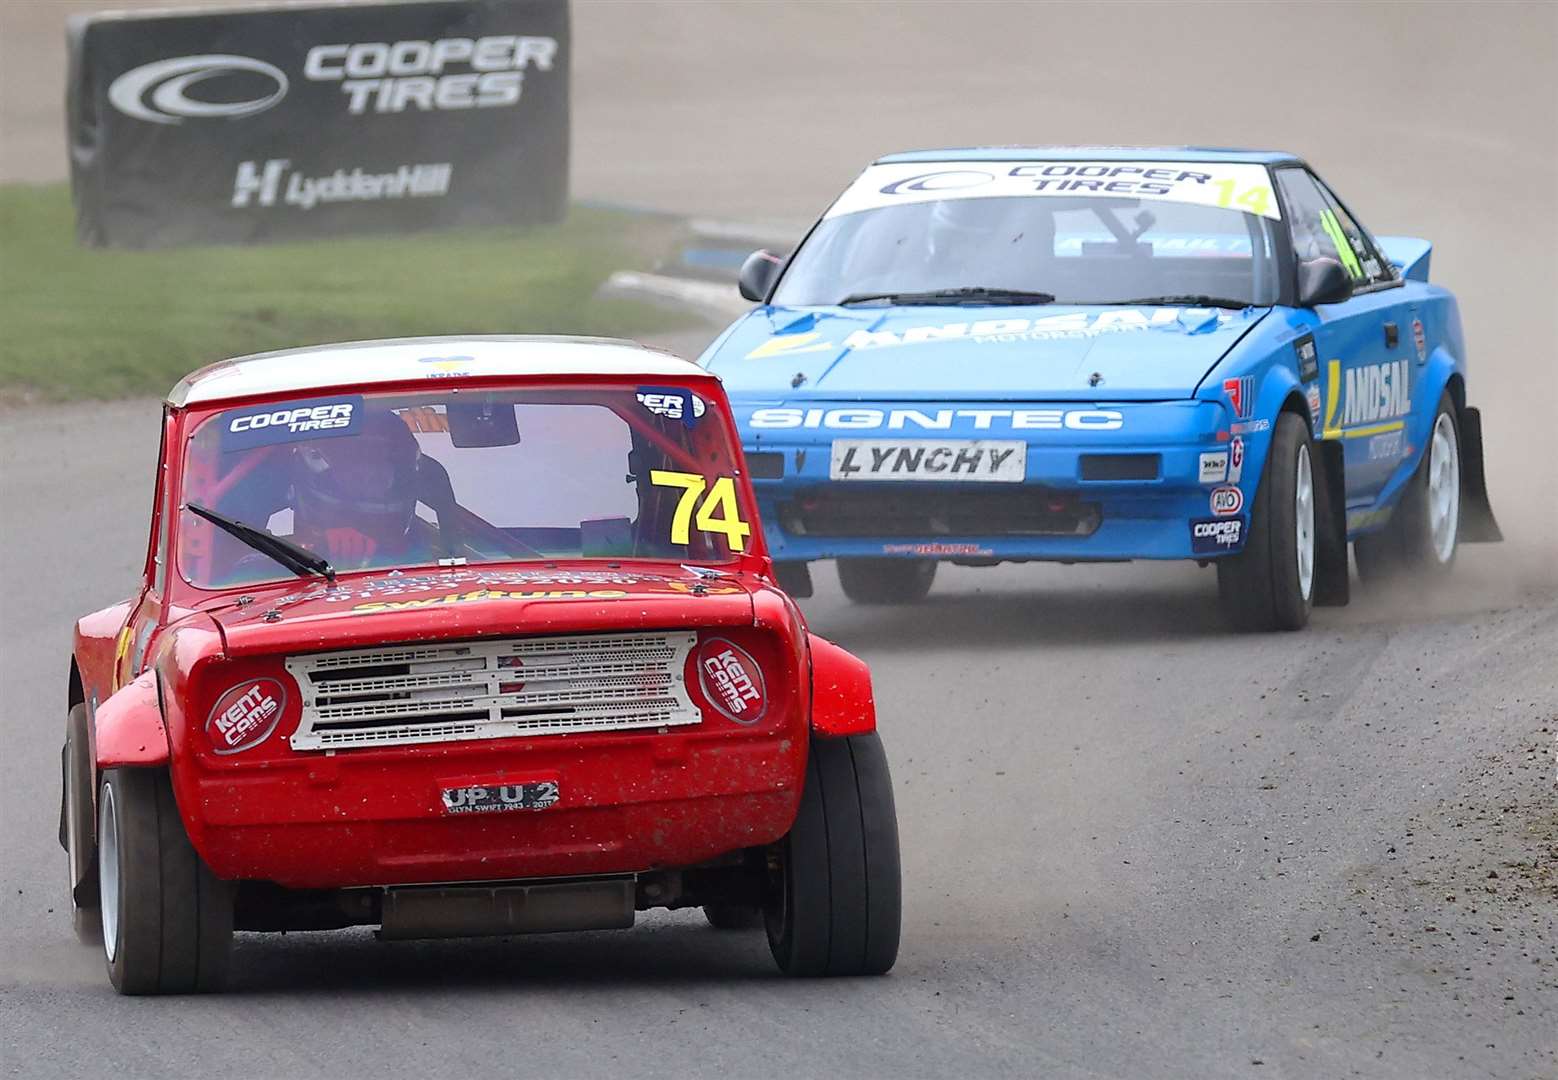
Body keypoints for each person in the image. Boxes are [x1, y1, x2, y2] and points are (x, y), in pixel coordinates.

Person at [290, 410, 441, 569]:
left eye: (381, 460)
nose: (370, 473)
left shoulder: (438, 556)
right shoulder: (275, 560)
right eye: (356, 459)